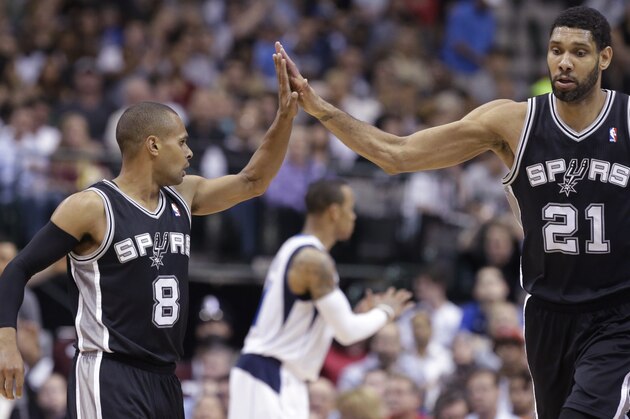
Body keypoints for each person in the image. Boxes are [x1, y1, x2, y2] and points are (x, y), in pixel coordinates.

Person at [278, 6, 630, 418]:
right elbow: (398, 154)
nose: (564, 62)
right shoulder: (513, 122)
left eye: (579, 52)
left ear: (604, 58)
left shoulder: (626, 119)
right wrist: (323, 110)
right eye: (556, 50)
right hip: (547, 312)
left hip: (616, 312)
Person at [0, 44, 299, 418]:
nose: (190, 152)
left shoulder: (183, 196)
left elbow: (253, 181)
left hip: (164, 377)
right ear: (153, 145)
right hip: (109, 372)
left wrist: (285, 117)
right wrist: (6, 343)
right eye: (183, 142)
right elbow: (16, 269)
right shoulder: (92, 207)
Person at [228, 179, 412, 418]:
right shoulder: (312, 260)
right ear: (334, 212)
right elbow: (347, 332)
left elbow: (333, 329)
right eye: (350, 209)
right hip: (267, 373)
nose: (354, 217)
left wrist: (358, 316)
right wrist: (386, 310)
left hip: (287, 376)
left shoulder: (306, 252)